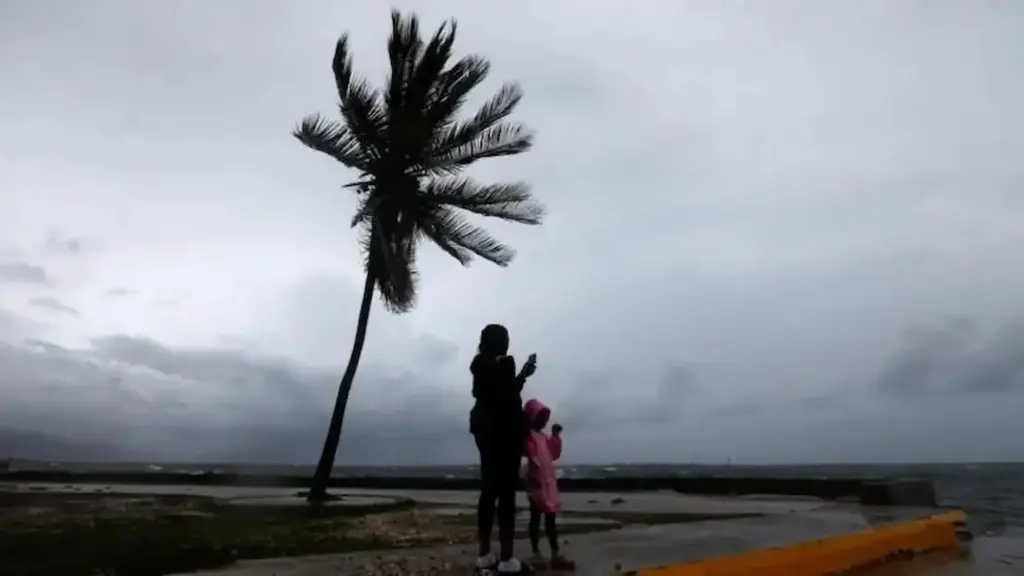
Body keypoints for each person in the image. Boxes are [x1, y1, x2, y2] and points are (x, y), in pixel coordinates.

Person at [470, 324, 536, 574]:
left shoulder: (479, 364)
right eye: (506, 338)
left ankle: (485, 555)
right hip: (505, 433)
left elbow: (487, 394)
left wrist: (521, 377)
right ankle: (508, 560)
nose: (508, 343)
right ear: (500, 342)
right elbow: (509, 400)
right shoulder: (505, 363)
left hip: (482, 427)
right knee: (507, 493)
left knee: (488, 490)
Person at [523, 398, 574, 571]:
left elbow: (553, 454)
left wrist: (555, 436)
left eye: (543, 418)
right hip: (536, 483)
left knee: (550, 519)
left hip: (548, 482)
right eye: (539, 417)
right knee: (536, 518)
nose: (542, 421)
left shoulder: (543, 438)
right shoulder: (528, 437)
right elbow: (528, 453)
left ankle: (555, 553)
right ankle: (536, 552)